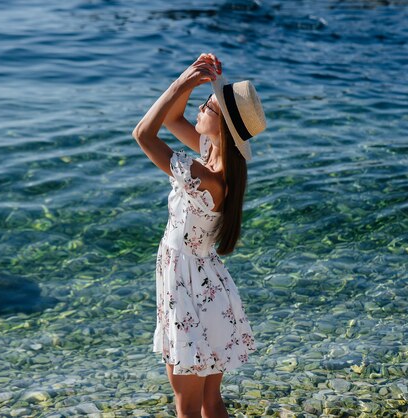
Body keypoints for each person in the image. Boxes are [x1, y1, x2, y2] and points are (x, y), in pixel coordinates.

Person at [132, 52, 267, 418]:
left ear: (221, 126)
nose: (199, 108)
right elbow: (174, 117)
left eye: (207, 105)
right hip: (209, 287)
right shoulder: (217, 163)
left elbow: (143, 133)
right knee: (210, 401)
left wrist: (181, 83)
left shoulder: (200, 176)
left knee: (187, 404)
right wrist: (193, 78)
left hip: (188, 290)